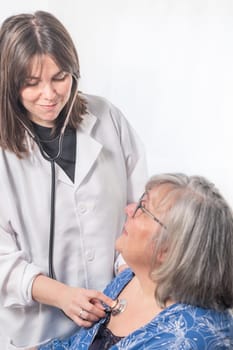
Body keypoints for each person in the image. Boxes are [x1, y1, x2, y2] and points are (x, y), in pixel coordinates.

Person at [0, 10, 147, 349]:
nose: (49, 95)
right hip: (33, 332)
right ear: (9, 83)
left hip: (111, 318)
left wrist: (127, 273)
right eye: (31, 83)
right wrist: (62, 296)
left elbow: (138, 209)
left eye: (59, 76)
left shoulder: (107, 119)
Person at [46, 173, 233, 349]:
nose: (128, 210)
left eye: (143, 208)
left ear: (169, 248)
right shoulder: (129, 279)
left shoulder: (187, 339)